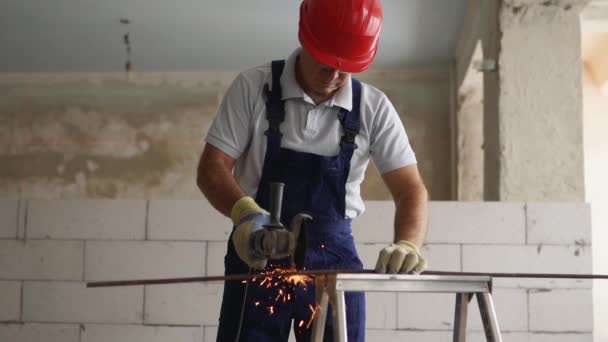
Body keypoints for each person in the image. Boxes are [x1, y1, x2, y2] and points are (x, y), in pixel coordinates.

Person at [197, 0, 428, 340]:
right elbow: (212, 168)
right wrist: (247, 216)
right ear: (306, 39)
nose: (334, 77)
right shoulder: (253, 87)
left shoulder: (373, 108)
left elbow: (411, 189)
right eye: (325, 64)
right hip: (258, 252)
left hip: (333, 260)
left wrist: (408, 244)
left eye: (345, 69)